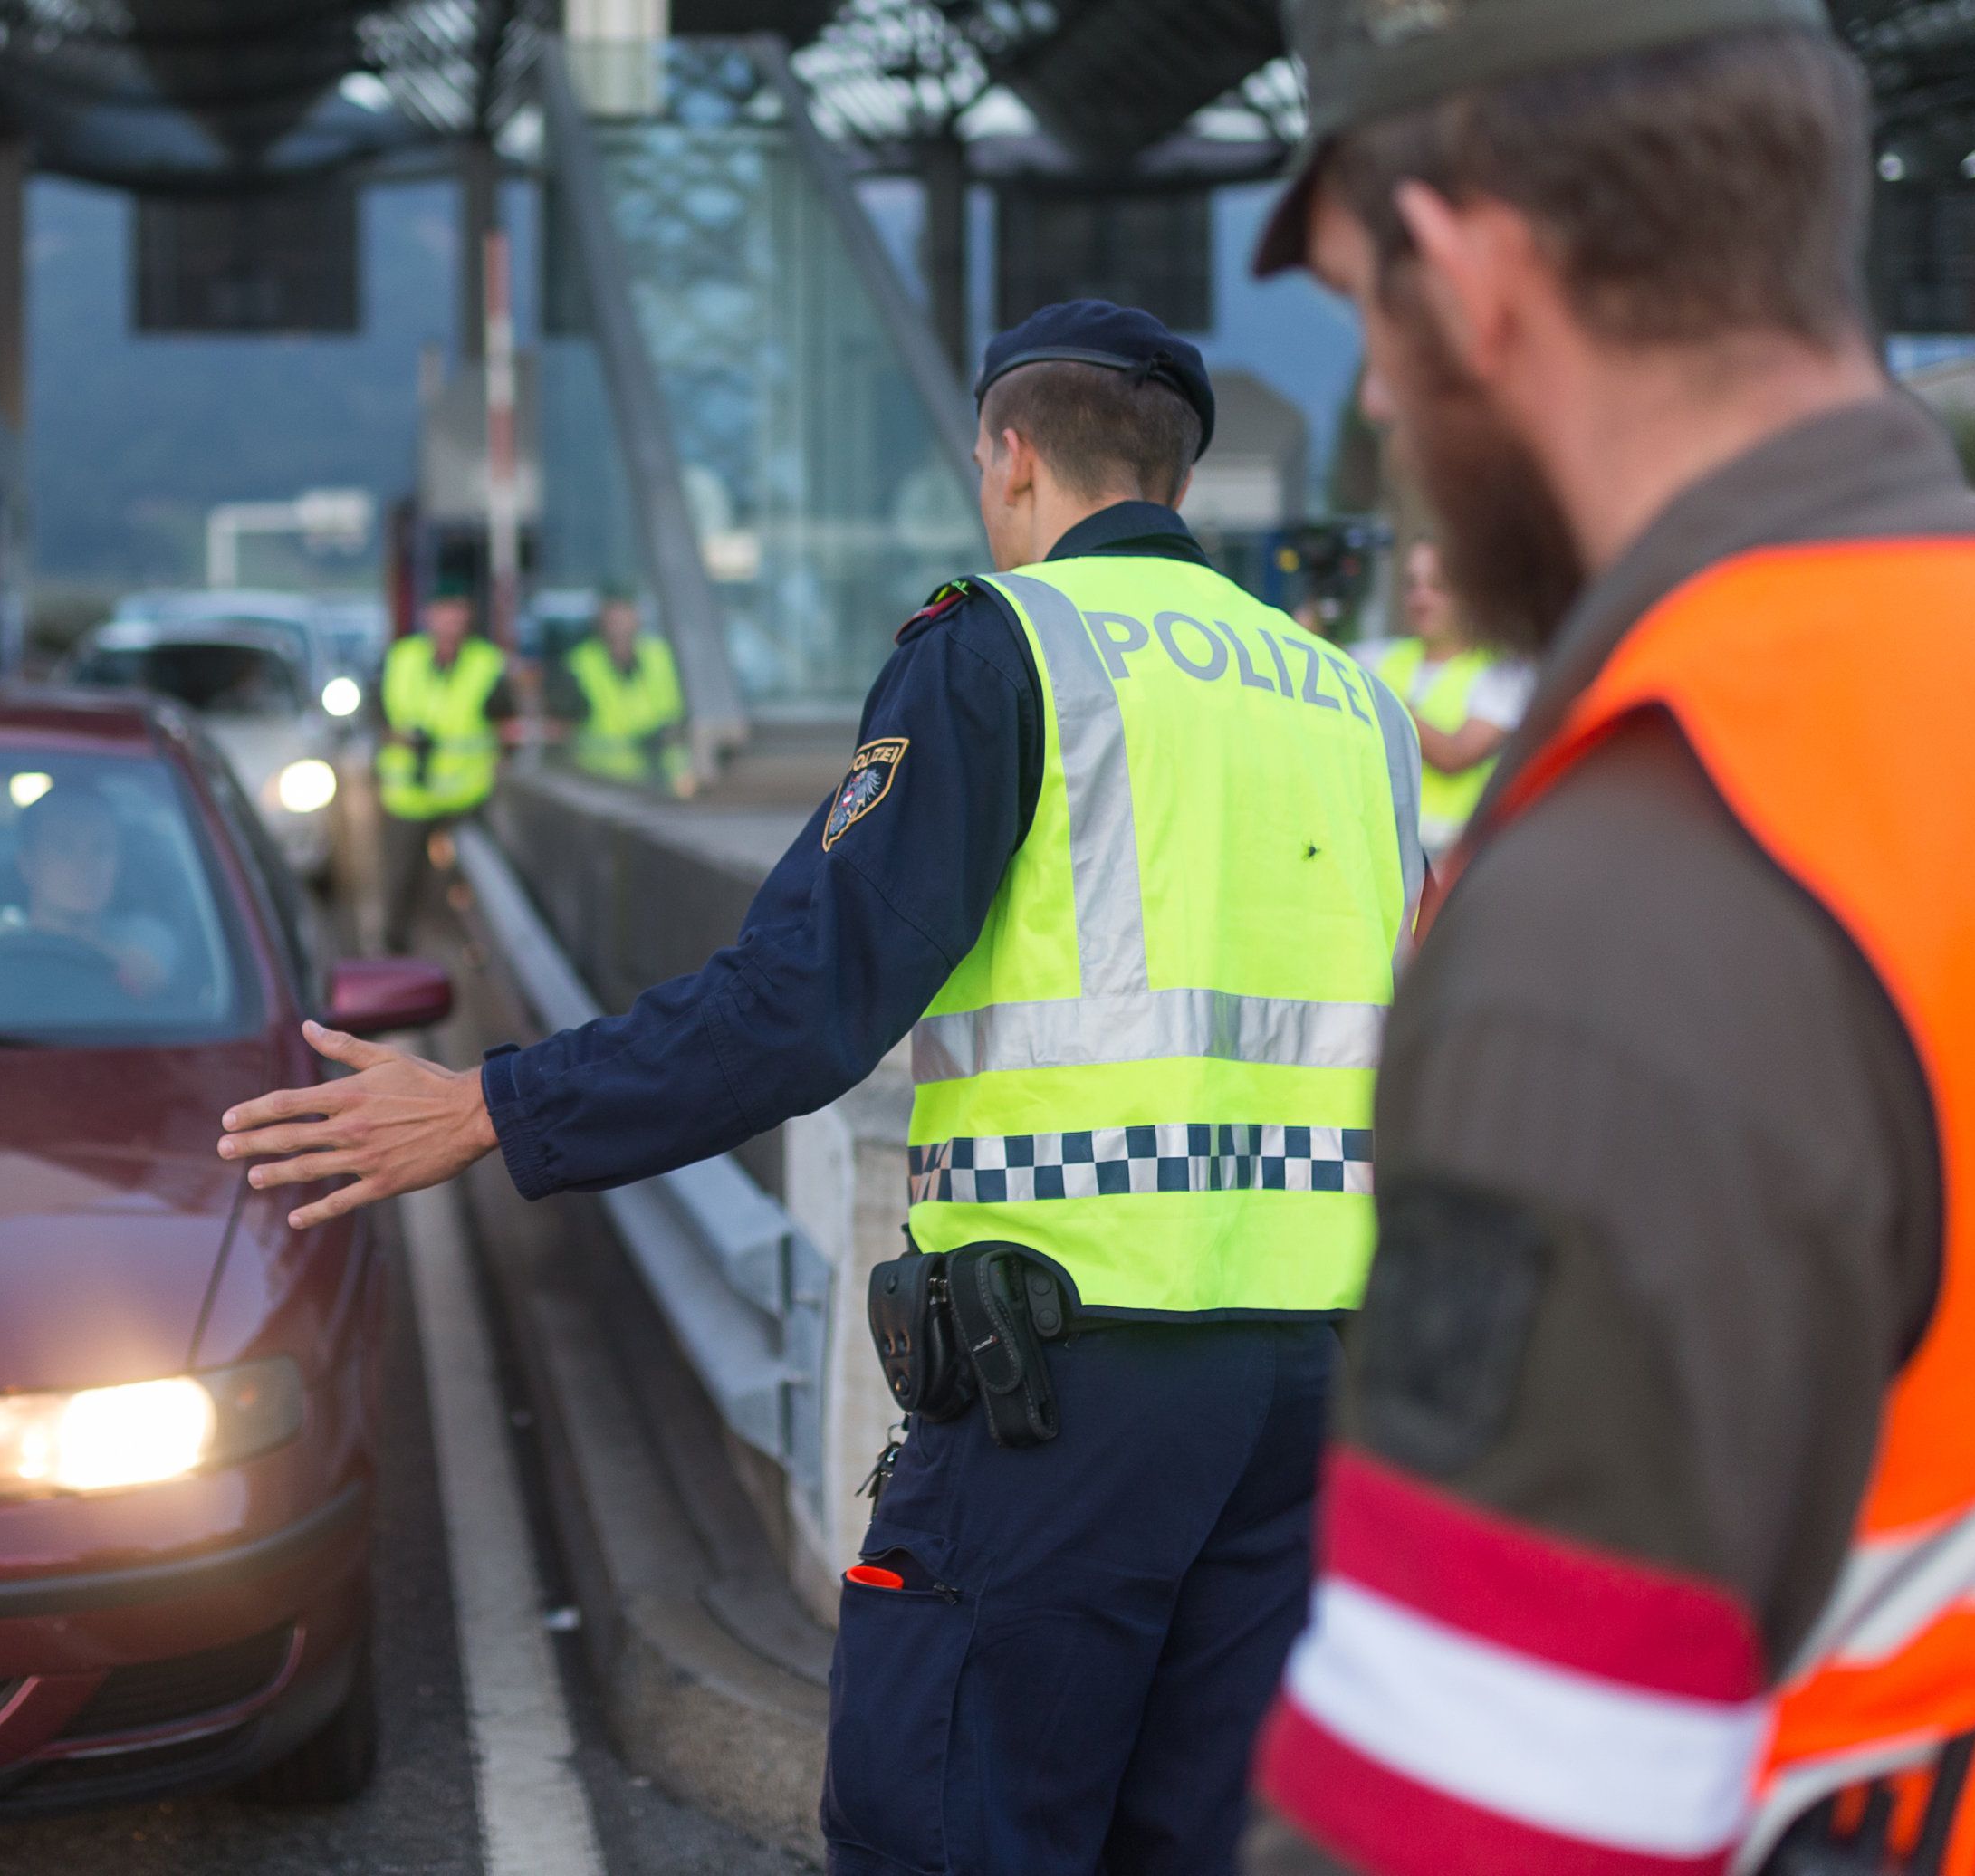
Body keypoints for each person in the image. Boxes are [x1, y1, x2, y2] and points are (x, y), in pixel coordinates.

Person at [222, 302, 1422, 1876]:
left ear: (1008, 459)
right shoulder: (1355, 706)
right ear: (1179, 473)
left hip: (1069, 1382)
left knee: (950, 1828)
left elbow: (804, 1001)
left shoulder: (1005, 650)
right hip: (1305, 1397)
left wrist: (497, 1106)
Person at [1241, 5, 1975, 1872]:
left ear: (1470, 267)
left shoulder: (1634, 902)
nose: (1376, 399)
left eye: (1371, 313)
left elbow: (1471, 1832)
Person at [0, 780, 176, 1000]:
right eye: (64, 848)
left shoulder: (146, 935)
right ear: (28, 865)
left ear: (119, 862)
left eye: (101, 849)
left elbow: (153, 981)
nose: (85, 866)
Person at [374, 580, 513, 951]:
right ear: (427, 616)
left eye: (457, 613)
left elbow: (506, 724)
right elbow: (377, 716)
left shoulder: (487, 664)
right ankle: (394, 949)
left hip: (466, 795)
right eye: (443, 613)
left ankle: (469, 949)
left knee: (466, 882)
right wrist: (400, 738)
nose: (450, 622)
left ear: (468, 617)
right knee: (401, 879)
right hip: (409, 793)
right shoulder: (402, 659)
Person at [1361, 542, 1524, 854]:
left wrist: (1381, 697)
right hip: (1383, 856)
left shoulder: (1503, 674)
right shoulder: (1379, 657)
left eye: (1438, 586)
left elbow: (1456, 756)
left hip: (1454, 861)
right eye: (1411, 585)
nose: (1421, 597)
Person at [564, 588, 689, 794]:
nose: (618, 625)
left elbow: (686, 715)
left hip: (664, 782)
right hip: (602, 783)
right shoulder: (578, 665)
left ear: (636, 618)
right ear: (600, 622)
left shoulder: (663, 657)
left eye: (623, 615)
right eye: (612, 618)